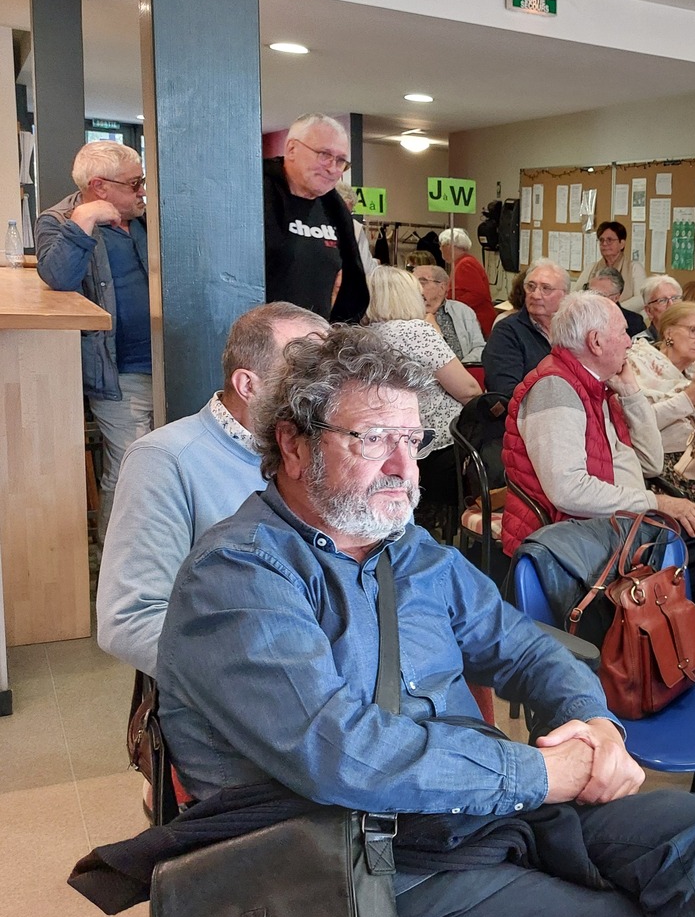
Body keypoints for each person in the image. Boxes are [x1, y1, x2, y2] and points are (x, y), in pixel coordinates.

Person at [153, 327, 695, 917]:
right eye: (373, 439)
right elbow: (343, 751)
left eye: (412, 439)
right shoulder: (239, 575)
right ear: (295, 445)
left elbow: (525, 649)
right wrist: (537, 774)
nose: (403, 465)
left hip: (469, 821)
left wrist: (595, 723)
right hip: (354, 881)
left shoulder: (412, 552)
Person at [500, 292, 695, 658]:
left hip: (622, 526)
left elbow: (651, 462)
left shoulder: (598, 386)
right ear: (595, 341)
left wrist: (633, 394)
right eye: (623, 332)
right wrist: (658, 502)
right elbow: (568, 491)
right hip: (583, 540)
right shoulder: (556, 388)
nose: (630, 342)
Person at [96, 302, 329, 674]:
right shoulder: (165, 459)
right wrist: (269, 678)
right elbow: (131, 619)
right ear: (248, 386)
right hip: (247, 687)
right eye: (304, 376)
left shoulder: (332, 449)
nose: (328, 391)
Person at [34, 140, 153, 527]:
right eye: (134, 184)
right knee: (131, 469)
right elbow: (58, 277)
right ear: (99, 187)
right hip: (118, 371)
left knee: (172, 465)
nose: (142, 191)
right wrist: (83, 220)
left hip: (169, 361)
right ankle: (114, 556)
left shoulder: (146, 218)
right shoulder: (59, 221)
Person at [364, 266, 483, 514]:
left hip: (385, 448)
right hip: (437, 449)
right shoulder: (416, 332)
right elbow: (468, 390)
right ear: (406, 297)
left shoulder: (362, 336)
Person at [626, 300, 695, 505]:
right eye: (694, 331)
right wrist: (689, 397)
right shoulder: (636, 364)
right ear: (669, 332)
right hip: (654, 472)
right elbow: (636, 423)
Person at [262, 113, 369, 322]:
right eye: (324, 155)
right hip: (258, 335)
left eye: (340, 161)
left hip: (315, 336)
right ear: (292, 149)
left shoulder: (335, 209)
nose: (332, 168)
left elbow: (352, 285)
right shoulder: (255, 195)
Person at [482, 258, 566, 395]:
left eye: (546, 288)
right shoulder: (506, 332)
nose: (536, 295)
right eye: (531, 287)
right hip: (530, 407)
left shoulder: (574, 330)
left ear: (565, 295)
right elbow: (504, 392)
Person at [412, 262, 485, 365]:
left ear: (442, 288)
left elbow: (479, 347)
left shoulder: (463, 311)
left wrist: (460, 368)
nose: (415, 288)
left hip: (463, 370)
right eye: (412, 283)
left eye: (422, 282)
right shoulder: (406, 313)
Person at [575, 220, 648, 310]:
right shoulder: (591, 268)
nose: (604, 244)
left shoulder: (634, 268)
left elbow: (641, 299)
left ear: (622, 244)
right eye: (601, 240)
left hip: (624, 316)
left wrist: (613, 309)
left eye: (609, 240)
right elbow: (575, 294)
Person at [438, 227, 497, 336]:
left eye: (441, 245)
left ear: (449, 246)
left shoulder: (465, 264)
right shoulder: (463, 262)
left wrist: (453, 306)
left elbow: (478, 294)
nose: (440, 249)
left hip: (478, 322)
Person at [585, 264, 647, 338]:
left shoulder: (634, 322)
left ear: (615, 298)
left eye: (599, 295)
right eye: (589, 292)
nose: (591, 299)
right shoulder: (580, 316)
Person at [637, 273, 683, 344]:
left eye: (675, 298)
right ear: (648, 311)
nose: (671, 305)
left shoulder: (693, 338)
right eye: (662, 300)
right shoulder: (639, 344)